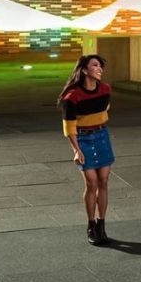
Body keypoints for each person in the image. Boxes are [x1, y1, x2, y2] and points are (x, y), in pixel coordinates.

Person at [59, 55, 114, 246]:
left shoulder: (105, 89)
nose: (100, 69)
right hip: (83, 139)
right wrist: (77, 149)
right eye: (95, 65)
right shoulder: (72, 96)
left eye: (101, 66)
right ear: (84, 70)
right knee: (92, 183)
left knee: (104, 181)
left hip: (102, 136)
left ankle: (102, 225)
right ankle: (91, 225)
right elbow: (69, 127)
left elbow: (105, 108)